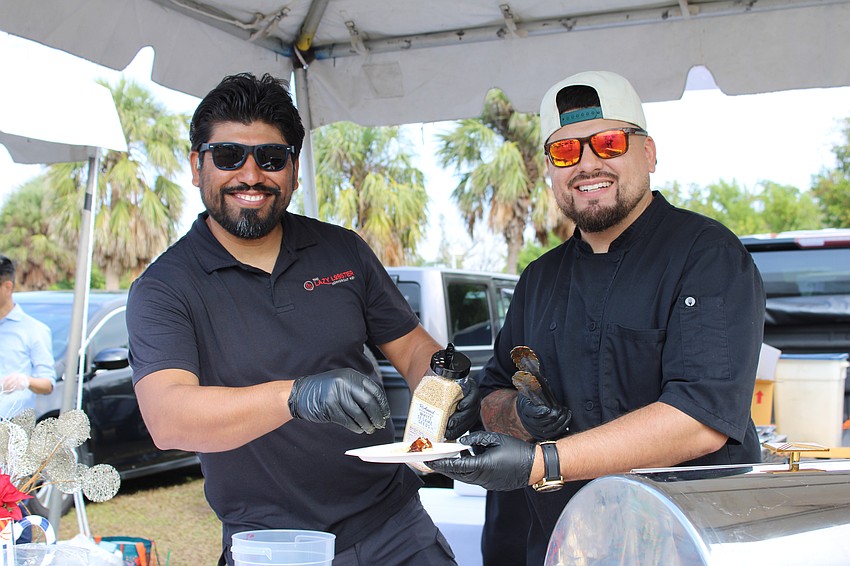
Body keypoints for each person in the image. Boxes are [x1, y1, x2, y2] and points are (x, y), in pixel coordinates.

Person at [125, 73, 480, 566]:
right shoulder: (165, 287)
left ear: (293, 170)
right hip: (271, 546)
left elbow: (415, 349)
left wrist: (445, 386)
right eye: (229, 156)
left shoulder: (343, 250)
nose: (251, 175)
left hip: (392, 527)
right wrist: (297, 396)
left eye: (271, 159)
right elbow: (169, 418)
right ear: (196, 165)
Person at [429, 70, 765, 564]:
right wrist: (518, 415)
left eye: (607, 143)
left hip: (682, 541)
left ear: (648, 153)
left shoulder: (706, 255)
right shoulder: (540, 277)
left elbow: (700, 419)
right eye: (565, 153)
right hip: (565, 543)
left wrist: (543, 461)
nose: (586, 164)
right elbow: (492, 394)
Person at [0, 254, 56, 419]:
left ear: (7, 287)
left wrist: (25, 381)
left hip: (11, 429)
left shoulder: (34, 329)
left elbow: (48, 384)